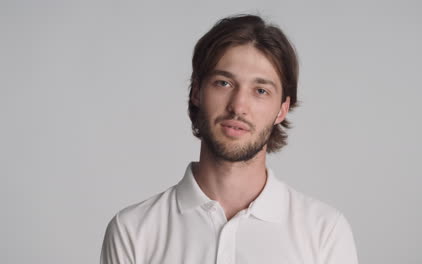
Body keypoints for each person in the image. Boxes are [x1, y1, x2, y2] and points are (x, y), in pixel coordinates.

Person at [100, 14, 359, 264]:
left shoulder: (324, 232)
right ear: (197, 92)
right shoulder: (132, 231)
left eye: (260, 90)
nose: (238, 106)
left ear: (281, 109)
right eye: (224, 83)